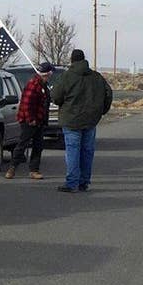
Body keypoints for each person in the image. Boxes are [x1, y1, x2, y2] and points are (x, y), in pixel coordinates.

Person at [50, 49, 113, 193]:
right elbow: (108, 94)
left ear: (72, 60)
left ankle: (72, 182)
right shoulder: (96, 77)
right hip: (91, 120)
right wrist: (101, 111)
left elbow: (56, 97)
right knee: (87, 151)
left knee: (73, 151)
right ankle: (84, 181)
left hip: (71, 120)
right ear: (84, 59)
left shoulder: (67, 77)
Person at [6, 61, 54, 180]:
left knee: (38, 145)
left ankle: (34, 170)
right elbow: (27, 104)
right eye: (49, 74)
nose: (50, 76)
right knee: (22, 144)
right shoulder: (33, 84)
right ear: (46, 74)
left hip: (39, 120)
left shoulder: (43, 85)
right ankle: (12, 168)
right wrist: (30, 119)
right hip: (29, 120)